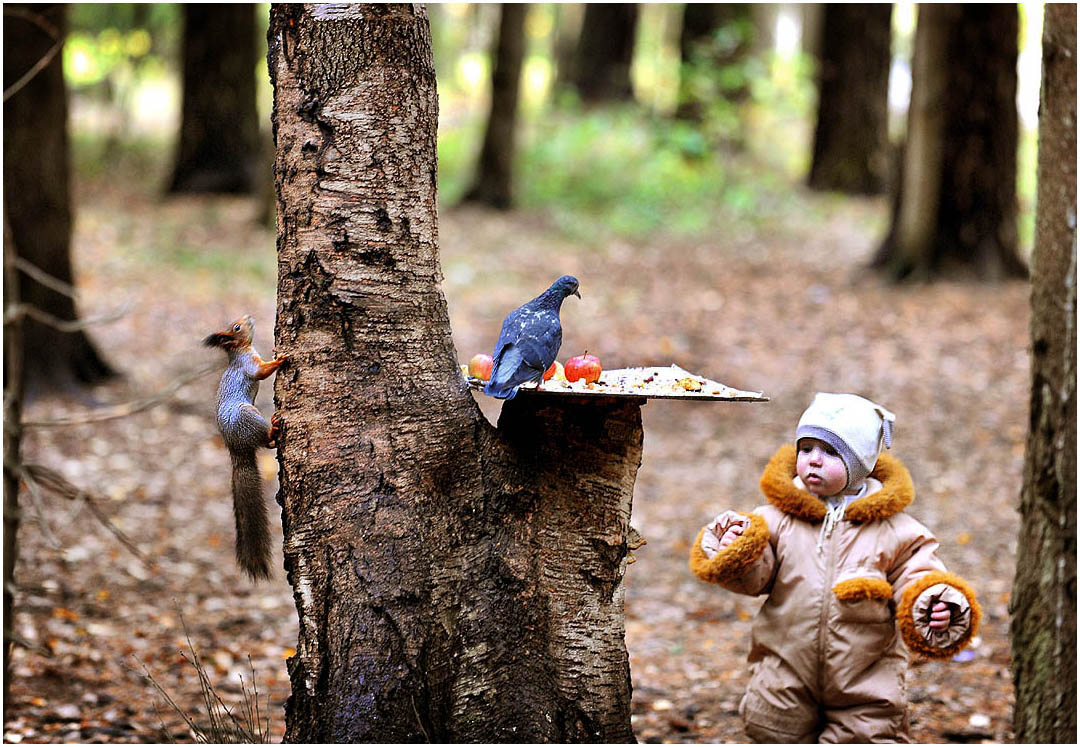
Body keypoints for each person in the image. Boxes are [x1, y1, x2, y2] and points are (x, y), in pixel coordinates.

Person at [689, 392, 980, 743]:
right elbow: (754, 577)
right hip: (784, 670)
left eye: (830, 452)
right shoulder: (775, 519)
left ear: (860, 464)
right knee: (772, 730)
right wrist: (735, 547)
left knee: (868, 736)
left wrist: (932, 604)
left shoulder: (896, 531)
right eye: (806, 448)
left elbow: (919, 574)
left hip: (866, 679)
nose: (813, 460)